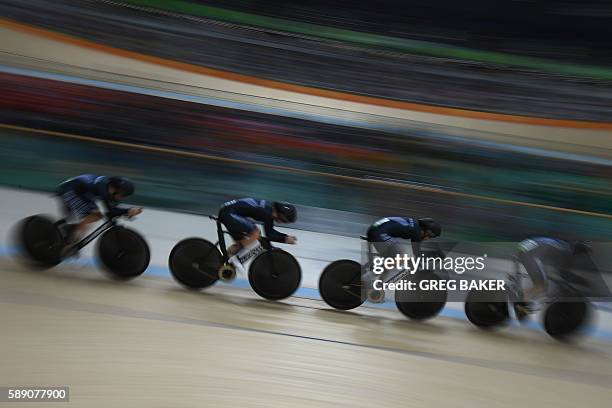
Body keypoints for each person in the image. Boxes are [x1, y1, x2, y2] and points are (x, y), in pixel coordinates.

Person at [365, 217, 442, 302]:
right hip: (379, 233)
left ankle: (377, 289)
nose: (428, 239)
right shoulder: (416, 232)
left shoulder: (414, 225)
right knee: (400, 256)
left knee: (391, 261)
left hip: (376, 230)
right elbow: (417, 253)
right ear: (428, 231)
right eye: (431, 237)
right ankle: (370, 275)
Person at [513, 237, 592, 319]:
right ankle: (521, 307)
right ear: (578, 251)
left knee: (540, 282)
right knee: (541, 286)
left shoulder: (562, 244)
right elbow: (560, 272)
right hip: (531, 255)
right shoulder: (567, 251)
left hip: (525, 249)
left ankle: (522, 299)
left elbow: (548, 258)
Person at [56, 174, 142, 248]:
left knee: (96, 215)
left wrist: (126, 212)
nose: (122, 198)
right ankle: (70, 238)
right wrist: (128, 211)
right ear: (115, 189)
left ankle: (71, 235)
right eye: (122, 195)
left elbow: (111, 212)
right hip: (69, 190)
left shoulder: (109, 188)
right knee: (93, 215)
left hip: (81, 193)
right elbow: (111, 211)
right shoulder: (102, 187)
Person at [218, 198, 297, 256]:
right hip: (229, 213)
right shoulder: (267, 213)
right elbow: (270, 234)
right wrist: (285, 238)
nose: (282, 223)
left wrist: (272, 245)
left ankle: (223, 263)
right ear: (282, 215)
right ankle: (233, 257)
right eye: (285, 221)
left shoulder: (269, 209)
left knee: (241, 244)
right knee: (256, 233)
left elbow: (269, 233)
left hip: (228, 211)